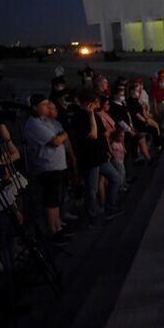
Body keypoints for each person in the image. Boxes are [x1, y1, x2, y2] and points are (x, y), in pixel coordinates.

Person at [70, 90, 123, 226]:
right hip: (89, 158)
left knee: (116, 178)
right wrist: (90, 116)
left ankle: (109, 208)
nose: (98, 105)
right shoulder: (78, 118)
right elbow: (92, 134)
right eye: (96, 103)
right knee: (91, 190)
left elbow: (102, 134)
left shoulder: (96, 116)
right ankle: (91, 218)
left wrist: (107, 150)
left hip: (100, 156)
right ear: (88, 104)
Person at [23, 95, 71, 243]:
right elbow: (55, 141)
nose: (47, 107)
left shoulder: (46, 122)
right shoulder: (33, 124)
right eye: (44, 105)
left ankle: (58, 227)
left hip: (57, 166)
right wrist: (65, 133)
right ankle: (53, 231)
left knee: (55, 200)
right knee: (50, 201)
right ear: (34, 107)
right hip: (47, 167)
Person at [150, 69, 164, 136]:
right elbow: (154, 99)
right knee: (160, 121)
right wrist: (155, 109)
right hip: (158, 104)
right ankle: (161, 134)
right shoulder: (155, 86)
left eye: (163, 77)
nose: (162, 79)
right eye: (160, 78)